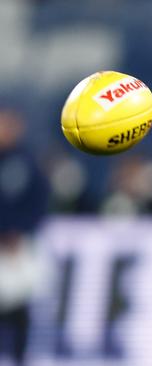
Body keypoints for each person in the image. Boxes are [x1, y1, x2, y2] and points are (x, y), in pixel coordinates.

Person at [0, 106, 49, 366]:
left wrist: (20, 230)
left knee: (19, 305)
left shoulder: (27, 163)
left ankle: (20, 358)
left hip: (19, 247)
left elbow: (39, 203)